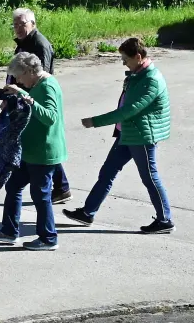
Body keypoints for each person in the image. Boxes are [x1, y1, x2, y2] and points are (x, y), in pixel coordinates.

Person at [0, 8, 72, 203]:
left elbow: (39, 77)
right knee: (1, 138)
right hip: (17, 97)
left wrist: (20, 97)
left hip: (24, 101)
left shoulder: (39, 44)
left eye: (23, 24)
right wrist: (7, 95)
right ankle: (61, 188)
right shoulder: (25, 42)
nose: (18, 28)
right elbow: (17, 74)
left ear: (33, 24)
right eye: (16, 25)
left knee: (1, 138)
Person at [64, 37, 174, 233]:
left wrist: (95, 121)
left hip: (141, 137)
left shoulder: (150, 80)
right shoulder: (138, 74)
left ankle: (165, 220)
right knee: (107, 172)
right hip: (129, 134)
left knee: (150, 178)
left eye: (126, 59)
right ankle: (87, 212)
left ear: (138, 57)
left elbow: (128, 110)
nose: (123, 62)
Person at [0, 52, 67, 251]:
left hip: (43, 152)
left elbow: (50, 117)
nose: (19, 81)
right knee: (13, 187)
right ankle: (9, 232)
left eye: (20, 77)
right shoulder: (36, 84)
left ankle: (48, 238)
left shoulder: (47, 86)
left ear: (30, 71)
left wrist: (24, 96)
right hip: (29, 150)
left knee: (40, 195)